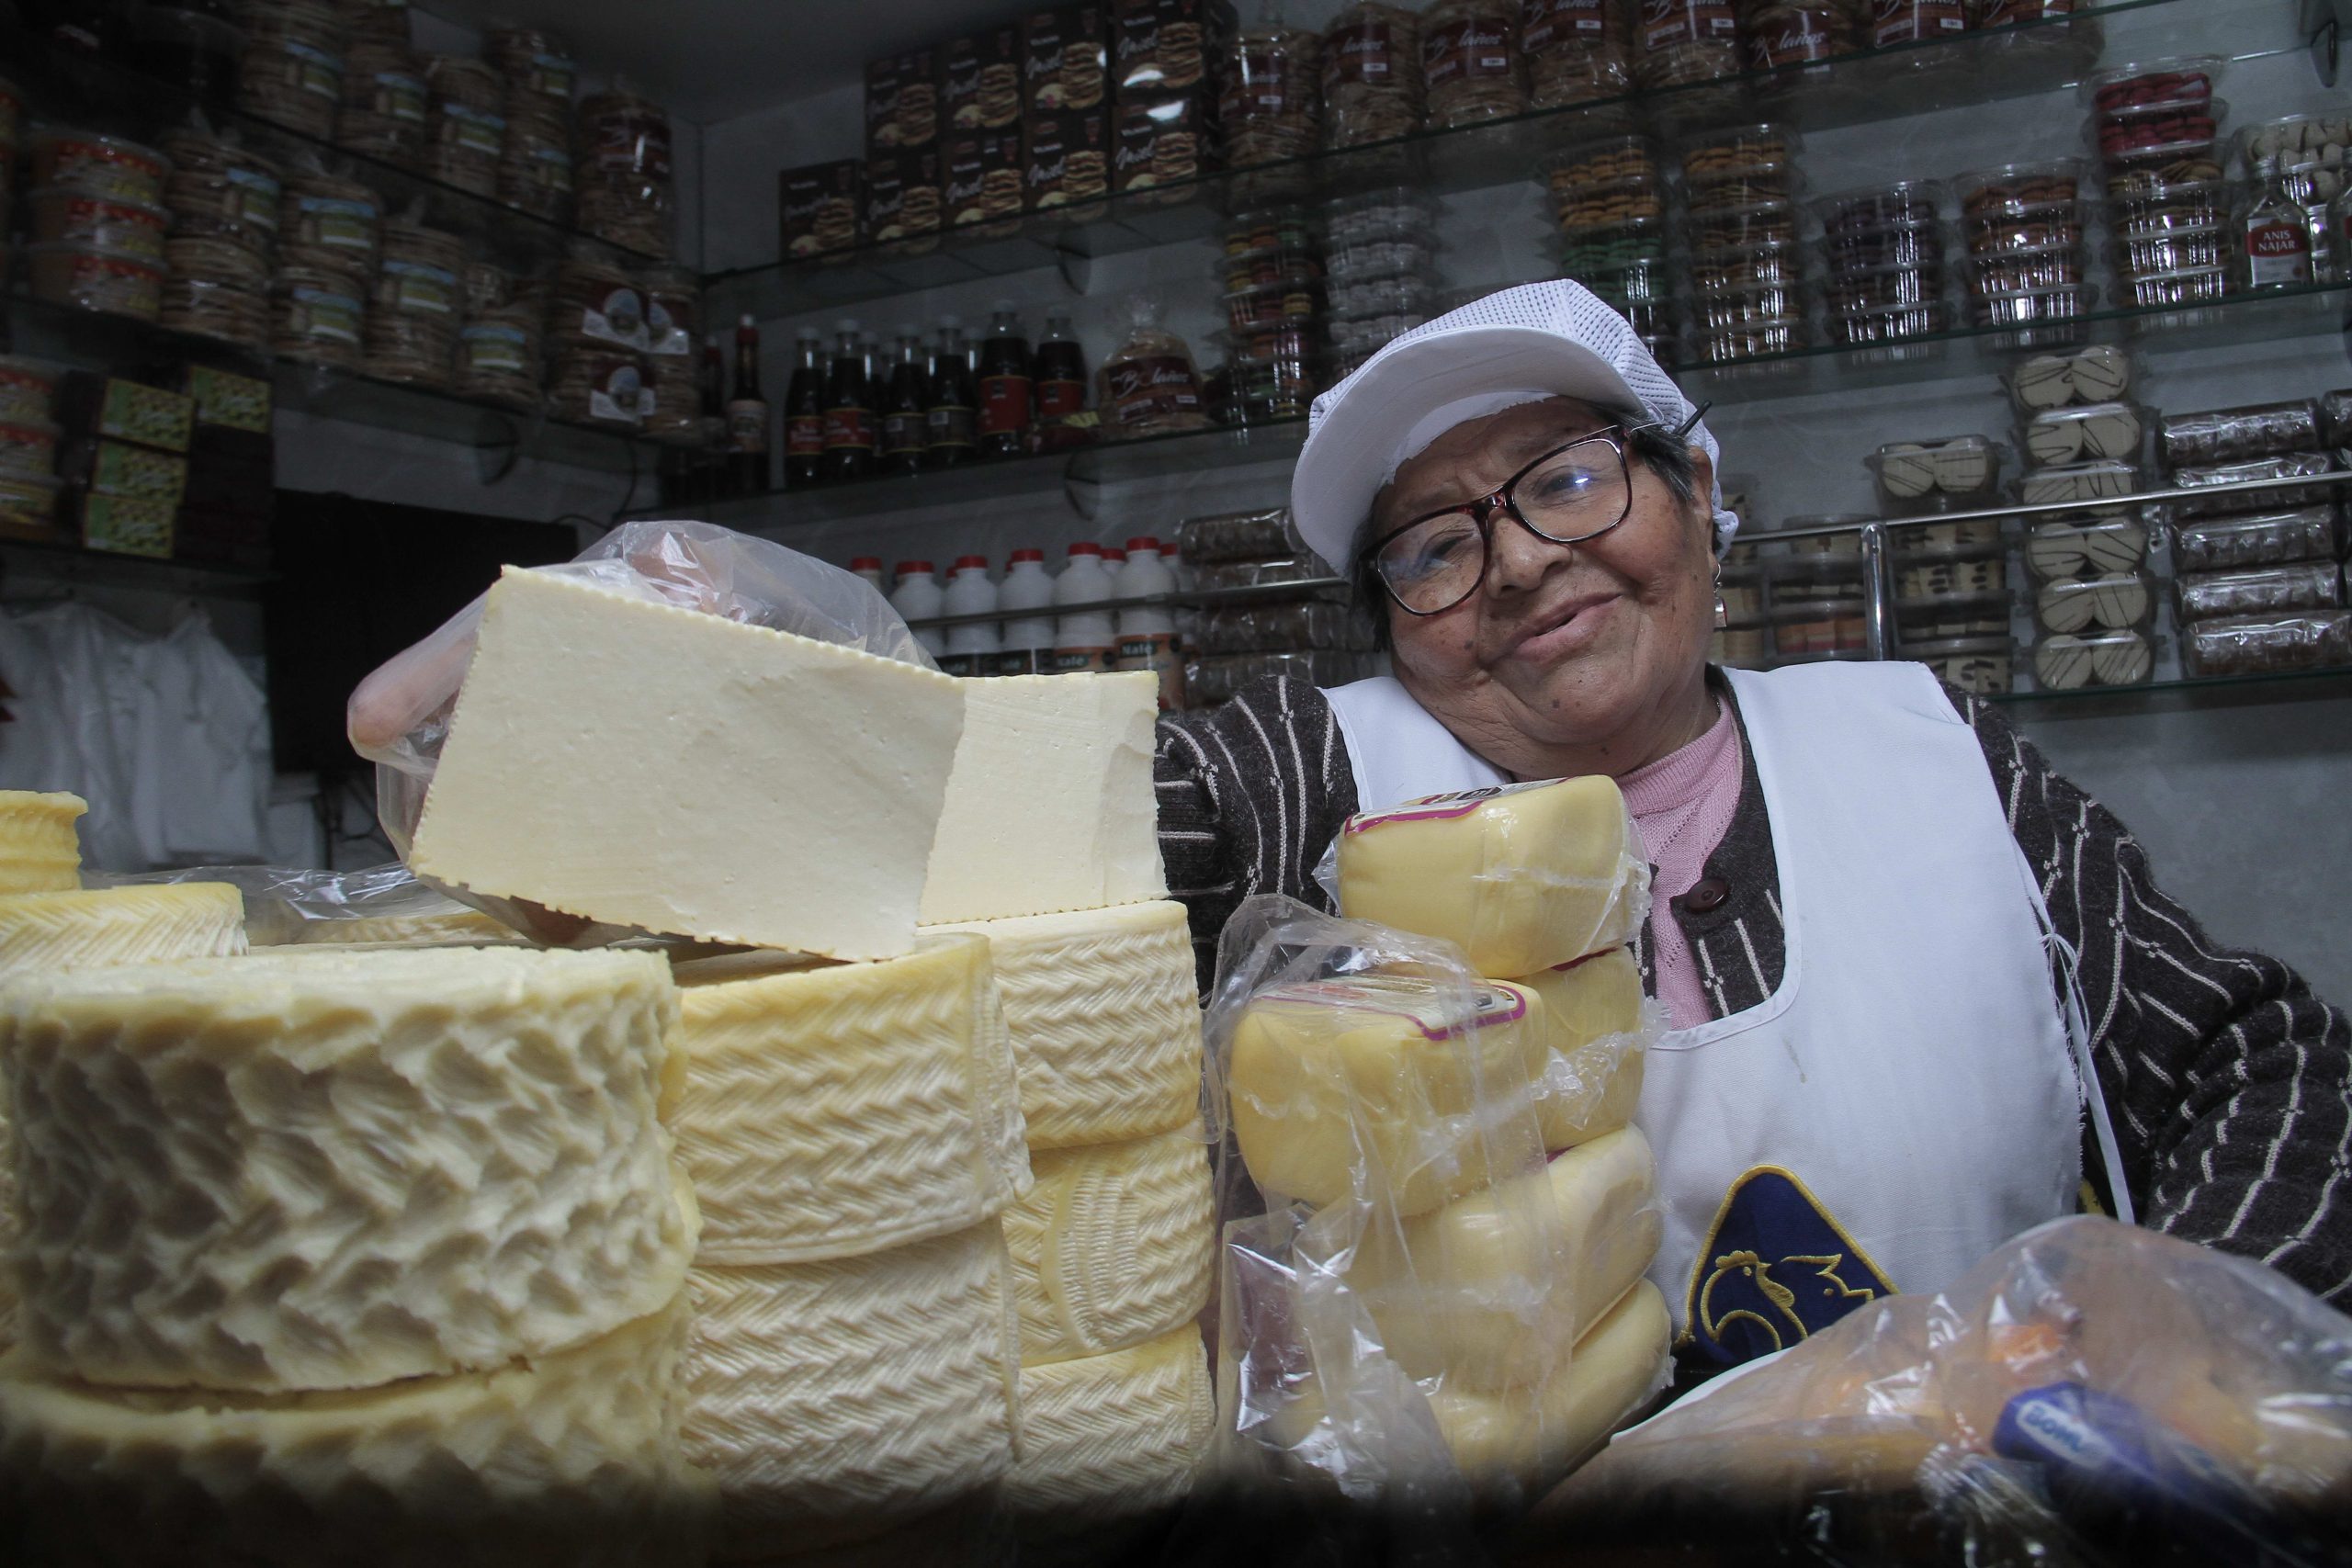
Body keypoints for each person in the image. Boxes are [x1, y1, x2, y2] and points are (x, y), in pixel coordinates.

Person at [1154, 281, 2351, 1369]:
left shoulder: (1931, 751)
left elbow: (2250, 1062)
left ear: (1701, 494)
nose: (1515, 562)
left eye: (1568, 480)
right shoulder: (1308, 775)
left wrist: (2183, 1354)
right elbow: (1051, 849)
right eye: (1433, 549)